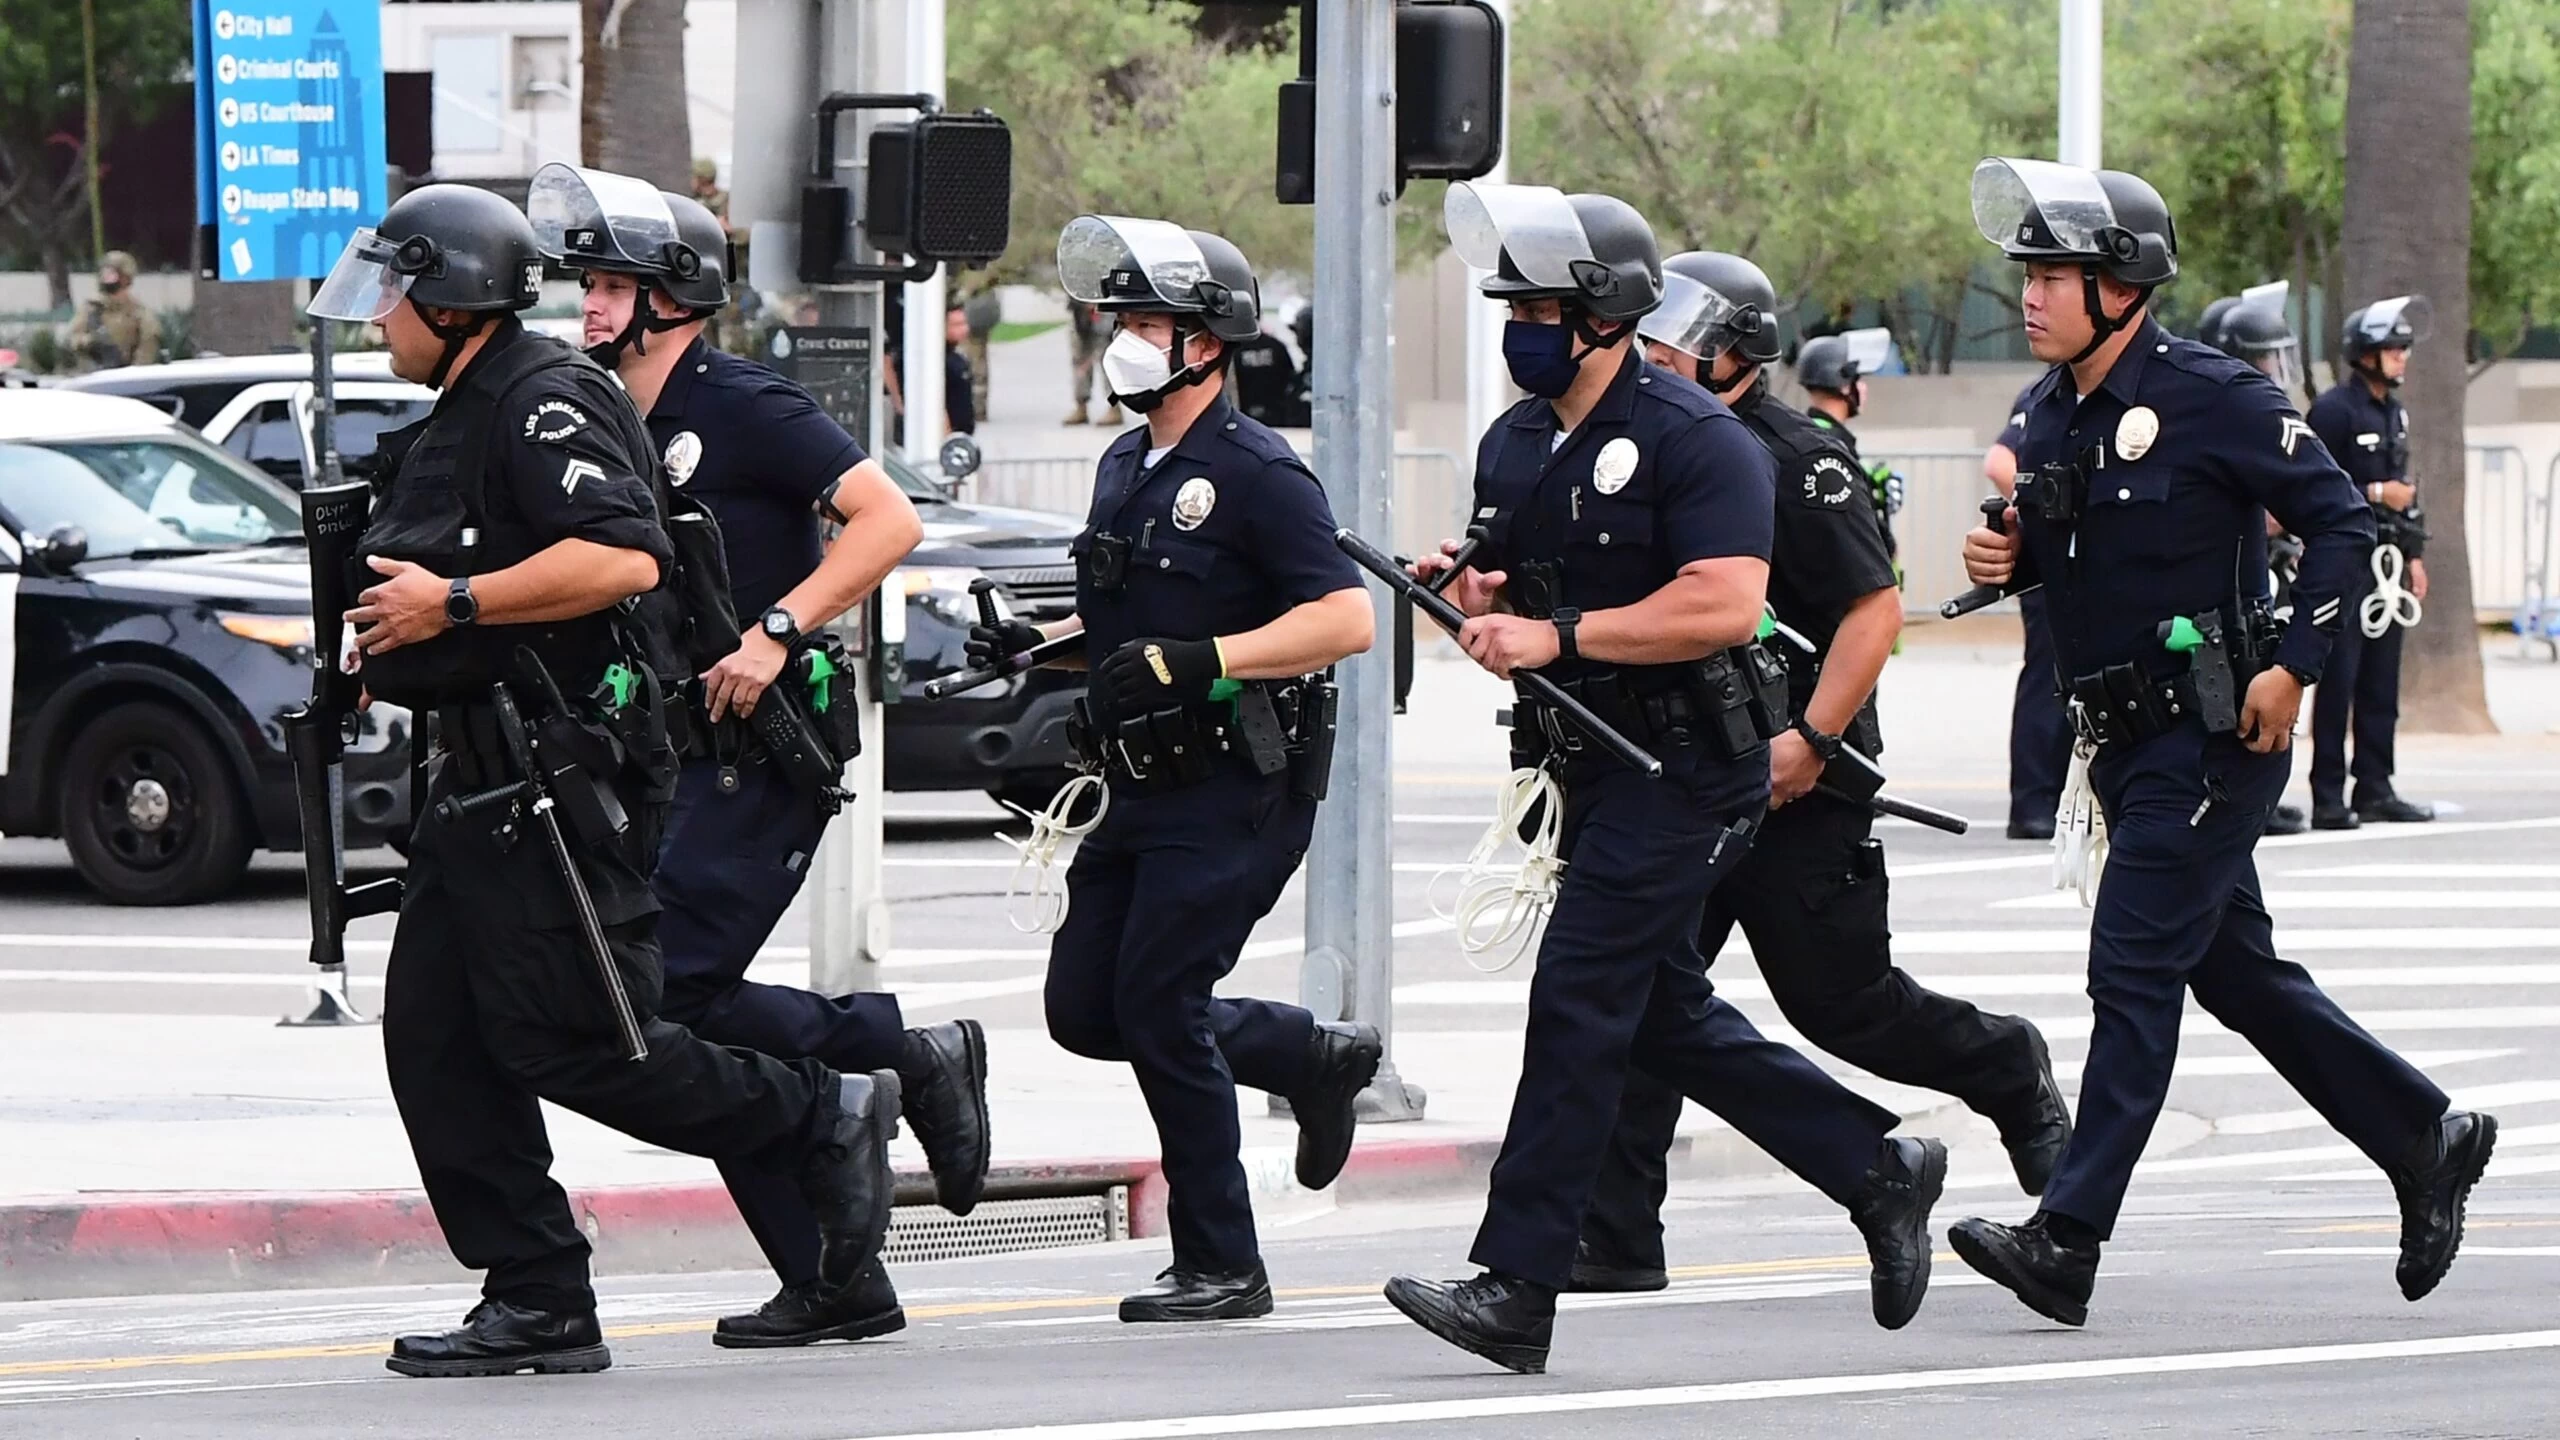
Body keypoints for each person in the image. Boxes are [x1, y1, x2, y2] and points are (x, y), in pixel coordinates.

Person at [307, 184, 901, 1377]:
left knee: (583, 1042)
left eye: (393, 298)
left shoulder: (541, 398)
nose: (379, 322)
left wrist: (455, 603)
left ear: (451, 298)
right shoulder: (466, 404)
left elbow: (625, 556)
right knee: (433, 1044)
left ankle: (821, 1113)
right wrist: (389, 648)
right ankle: (536, 1291)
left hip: (549, 787)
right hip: (474, 784)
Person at [1381, 185, 1944, 1376]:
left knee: (1580, 996)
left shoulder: (1701, 437)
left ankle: (1517, 1284)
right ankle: (1876, 1167)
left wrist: (1555, 637)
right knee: (1656, 1011)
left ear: (1603, 316)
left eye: (1538, 306)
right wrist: (1479, 592)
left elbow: (1723, 602)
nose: (1516, 327)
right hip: (1593, 765)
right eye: (1510, 305)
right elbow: (1523, 578)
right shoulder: (1518, 438)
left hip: (1693, 767)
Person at [1948, 157, 2491, 1328]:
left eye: (2055, 273)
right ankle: (2422, 1135)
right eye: (2027, 272)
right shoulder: (2050, 413)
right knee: (2237, 975)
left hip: (2214, 736)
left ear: (2121, 285)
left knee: (2130, 972)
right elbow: (2087, 552)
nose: (2030, 293)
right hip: (2124, 743)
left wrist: (2294, 667)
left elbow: (2341, 526)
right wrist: (2012, 562)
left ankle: (2068, 1237)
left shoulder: (2210, 394)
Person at [532, 165, 992, 1348]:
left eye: (611, 282)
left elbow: (889, 519)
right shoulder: (600, 416)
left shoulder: (741, 402)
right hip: (669, 754)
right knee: (695, 1025)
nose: (588, 302)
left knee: (670, 996)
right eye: (585, 280)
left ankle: (899, 1057)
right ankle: (839, 1267)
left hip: (762, 751)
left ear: (673, 297)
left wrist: (779, 631)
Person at [1553, 250, 2071, 1296]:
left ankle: (2004, 1068)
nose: (1656, 354)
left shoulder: (1798, 457)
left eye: (1682, 340)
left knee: (1842, 1007)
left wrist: (1814, 741)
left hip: (1798, 781)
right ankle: (1615, 1230)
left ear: (1740, 355)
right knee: (1639, 988)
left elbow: (1870, 612)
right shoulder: (1641, 443)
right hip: (1688, 775)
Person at [967, 215, 1382, 1323]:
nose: (1129, 340)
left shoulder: (1256, 473)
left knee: (1157, 1003)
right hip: (1138, 788)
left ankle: (1221, 1260)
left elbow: (1346, 618)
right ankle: (1308, 1056)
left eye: (1152, 321)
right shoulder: (1123, 460)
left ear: (1210, 342)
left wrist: (1210, 661)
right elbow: (1129, 618)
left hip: (1236, 788)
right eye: (1123, 320)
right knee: (1086, 1010)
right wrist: (1037, 641)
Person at [2306, 297, 2435, 829]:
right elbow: (2313, 488)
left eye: (2404, 348)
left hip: (2389, 562)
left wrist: (2414, 555)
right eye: (2391, 348)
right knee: (2340, 678)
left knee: (2382, 681)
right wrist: (2378, 491)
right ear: (2364, 354)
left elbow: (2409, 491)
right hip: (2347, 563)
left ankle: (2376, 785)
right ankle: (2329, 795)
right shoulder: (2333, 411)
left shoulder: (2395, 413)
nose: (2402, 357)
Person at [2201, 291, 2312, 836]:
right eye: (2264, 358)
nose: (2275, 370)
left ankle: (2252, 798)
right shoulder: (2217, 412)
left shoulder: (2259, 413)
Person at [1984, 383, 2072, 840]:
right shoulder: (2048, 394)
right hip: (2052, 562)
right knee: (2047, 676)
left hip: (2094, 564)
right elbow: (1999, 462)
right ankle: (2033, 801)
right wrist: (2047, 512)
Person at [1793, 329, 1904, 559]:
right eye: (1858, 379)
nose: (1863, 387)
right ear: (1844, 385)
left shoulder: (1806, 432)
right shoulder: (1831, 444)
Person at [66, 251, 160, 372]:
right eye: (105, 273)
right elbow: (72, 339)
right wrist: (90, 341)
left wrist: (132, 375)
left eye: (112, 274)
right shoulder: (91, 308)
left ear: (126, 278)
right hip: (93, 375)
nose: (107, 277)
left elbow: (147, 349)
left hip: (125, 377)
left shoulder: (139, 314)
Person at [1063, 296, 1122, 427]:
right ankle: (1081, 407)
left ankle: (1115, 408)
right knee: (1079, 360)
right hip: (1079, 309)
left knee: (1108, 361)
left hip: (1103, 310)